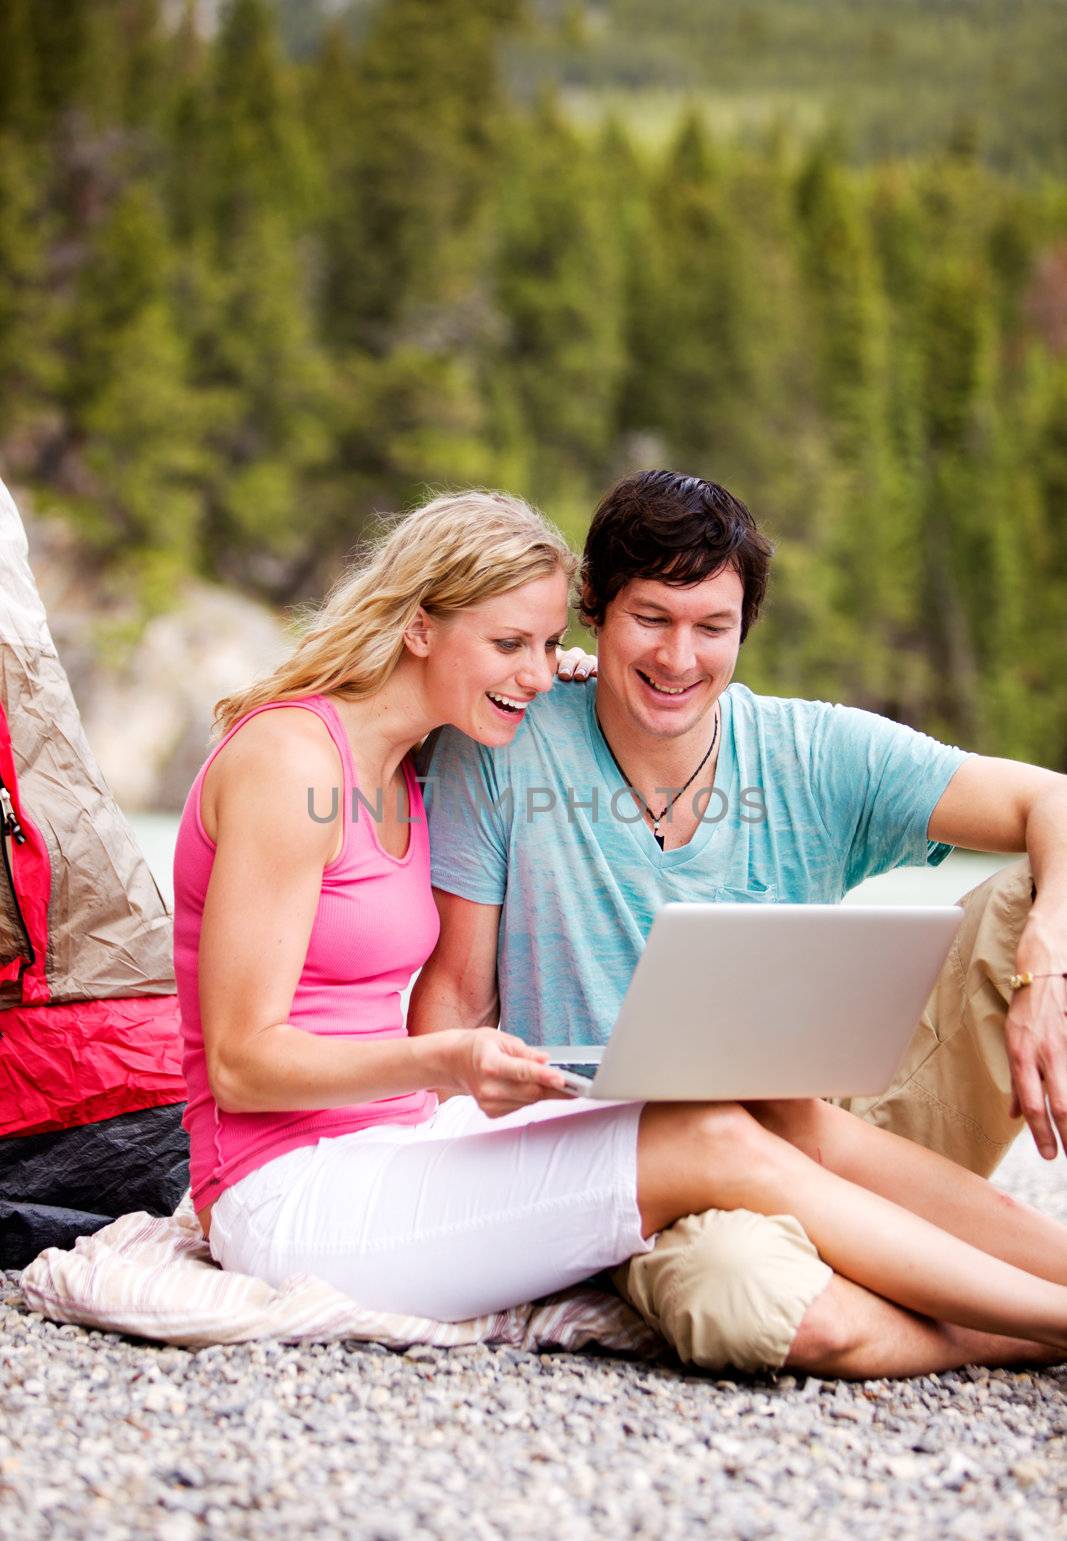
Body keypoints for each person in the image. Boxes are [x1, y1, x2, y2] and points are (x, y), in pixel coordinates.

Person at [410, 470, 1067, 1375]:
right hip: (662, 1179)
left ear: (744, 630)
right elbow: (451, 994)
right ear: (594, 610)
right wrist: (451, 1195)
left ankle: (927, 1273)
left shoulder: (814, 748)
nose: (679, 659)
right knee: (760, 1309)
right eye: (651, 619)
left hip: (845, 1128)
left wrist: (1044, 961)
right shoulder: (502, 747)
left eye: (711, 628)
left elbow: (1052, 801)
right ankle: (1014, 1312)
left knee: (1047, 891)